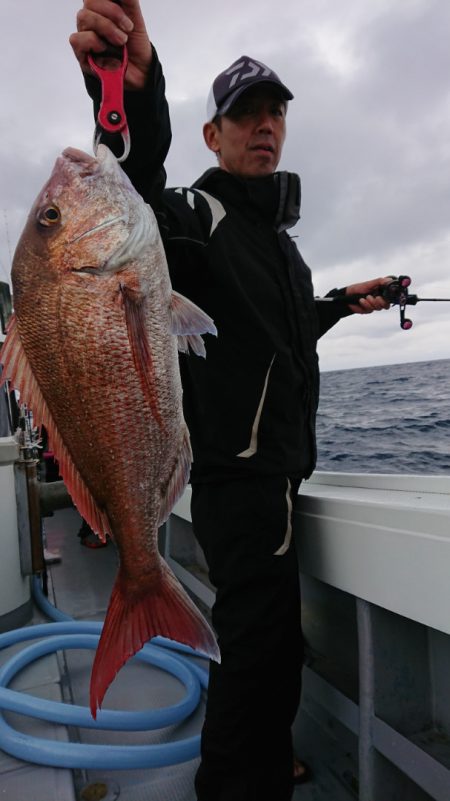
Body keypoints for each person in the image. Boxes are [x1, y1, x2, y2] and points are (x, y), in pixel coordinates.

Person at [70, 4, 390, 799]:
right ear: (213, 135)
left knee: (271, 641)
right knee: (257, 649)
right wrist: (135, 95)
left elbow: (282, 332)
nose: (264, 126)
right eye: (246, 114)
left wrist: (342, 302)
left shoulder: (279, 245)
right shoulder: (196, 217)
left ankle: (264, 757)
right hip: (239, 484)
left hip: (279, 479)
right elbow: (131, 195)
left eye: (274, 112)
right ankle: (234, 782)